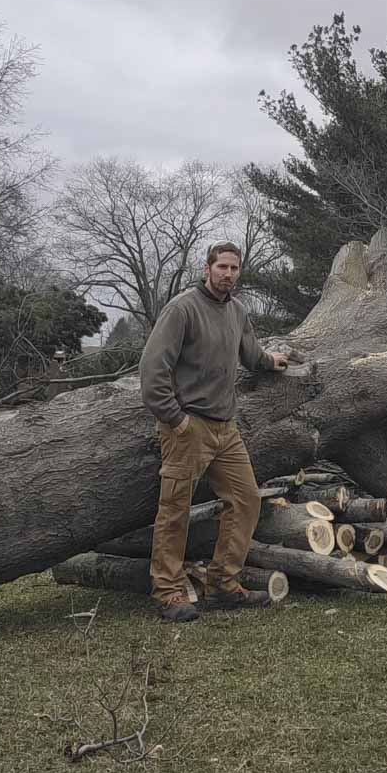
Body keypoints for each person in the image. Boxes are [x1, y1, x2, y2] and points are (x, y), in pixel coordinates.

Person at [139, 240, 289, 622]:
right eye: (221, 266)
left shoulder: (237, 311)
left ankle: (223, 585)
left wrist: (272, 360)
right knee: (175, 510)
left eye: (234, 268)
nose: (228, 274)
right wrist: (176, 419)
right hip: (187, 427)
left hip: (227, 429)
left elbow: (251, 354)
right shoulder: (183, 309)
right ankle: (168, 592)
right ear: (207, 268)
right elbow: (152, 371)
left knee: (246, 500)